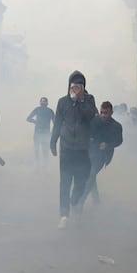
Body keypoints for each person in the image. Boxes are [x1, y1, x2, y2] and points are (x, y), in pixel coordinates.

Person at [50, 71, 97, 228]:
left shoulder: (89, 100)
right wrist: (52, 141)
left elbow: (91, 116)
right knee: (65, 181)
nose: (75, 89)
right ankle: (64, 215)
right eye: (73, 86)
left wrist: (81, 99)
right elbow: (57, 123)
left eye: (79, 86)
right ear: (69, 86)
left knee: (81, 181)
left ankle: (75, 200)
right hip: (66, 148)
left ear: (83, 87)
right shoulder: (62, 102)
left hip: (83, 149)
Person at [84, 101, 123, 206]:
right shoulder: (95, 121)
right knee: (91, 175)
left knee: (91, 174)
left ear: (111, 113)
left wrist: (108, 145)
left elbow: (119, 141)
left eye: (106, 113)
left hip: (103, 155)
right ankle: (96, 200)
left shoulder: (116, 126)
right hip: (90, 152)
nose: (103, 115)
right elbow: (89, 133)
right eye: (102, 112)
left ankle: (81, 201)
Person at [26, 96, 55, 168]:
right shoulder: (37, 109)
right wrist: (35, 122)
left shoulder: (50, 111)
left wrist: (52, 133)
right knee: (37, 151)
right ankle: (37, 168)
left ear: (47, 103)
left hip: (46, 134)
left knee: (45, 152)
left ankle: (45, 169)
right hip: (37, 134)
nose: (43, 102)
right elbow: (28, 118)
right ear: (40, 103)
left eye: (44, 101)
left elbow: (55, 123)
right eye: (42, 101)